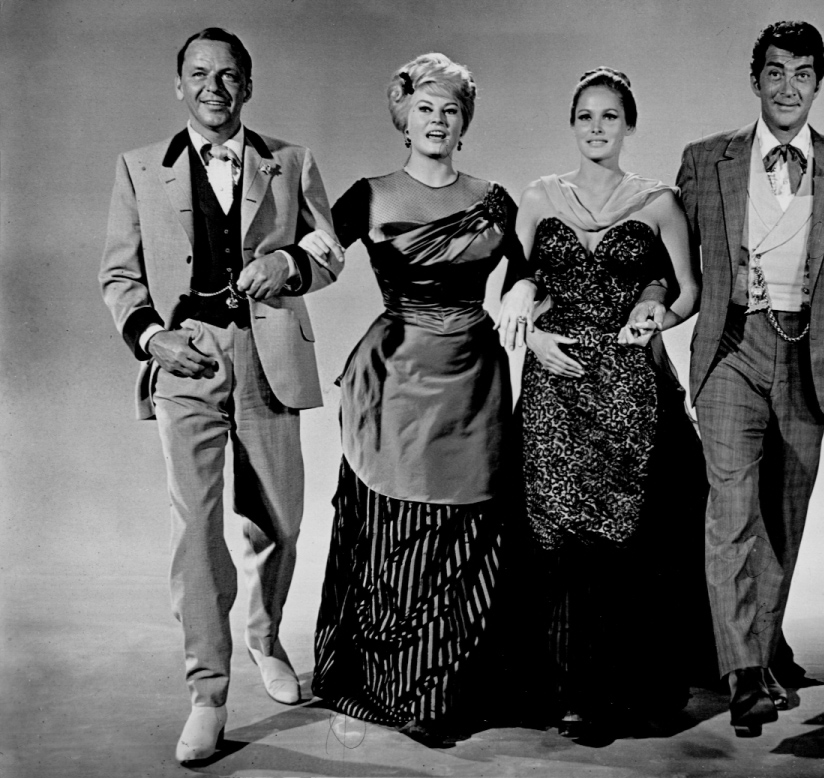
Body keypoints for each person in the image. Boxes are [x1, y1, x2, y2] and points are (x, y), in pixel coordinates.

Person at [98, 28, 339, 764]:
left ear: (248, 86)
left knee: (282, 519)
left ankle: (266, 638)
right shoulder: (139, 167)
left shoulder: (291, 160)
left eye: (229, 75)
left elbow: (330, 248)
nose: (214, 87)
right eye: (199, 74)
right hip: (188, 358)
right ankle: (208, 693)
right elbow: (119, 275)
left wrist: (289, 262)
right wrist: (153, 339)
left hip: (269, 354)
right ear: (179, 85)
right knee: (197, 527)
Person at [300, 53, 526, 747]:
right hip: (398, 378)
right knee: (402, 525)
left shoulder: (494, 198)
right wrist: (281, 266)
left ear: (464, 123)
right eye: (425, 107)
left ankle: (447, 689)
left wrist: (521, 290)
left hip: (475, 378)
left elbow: (523, 269)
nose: (437, 120)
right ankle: (402, 685)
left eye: (450, 110)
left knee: (469, 532)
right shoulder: (369, 195)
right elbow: (315, 255)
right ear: (404, 117)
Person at [675, 20, 824, 736]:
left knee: (784, 520)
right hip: (730, 350)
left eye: (802, 73)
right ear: (755, 80)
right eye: (775, 72)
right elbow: (671, 261)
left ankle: (761, 653)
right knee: (731, 511)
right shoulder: (706, 159)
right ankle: (742, 676)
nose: (788, 87)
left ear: (818, 83)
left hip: (810, 355)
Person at [496, 67, 705, 737]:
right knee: (551, 532)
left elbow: (688, 289)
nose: (596, 127)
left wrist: (657, 315)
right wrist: (533, 339)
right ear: (571, 124)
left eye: (609, 116)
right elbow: (513, 285)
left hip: (624, 382)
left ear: (629, 125)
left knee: (618, 534)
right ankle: (556, 688)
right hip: (553, 382)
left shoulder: (659, 201)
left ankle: (609, 692)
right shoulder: (538, 196)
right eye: (585, 115)